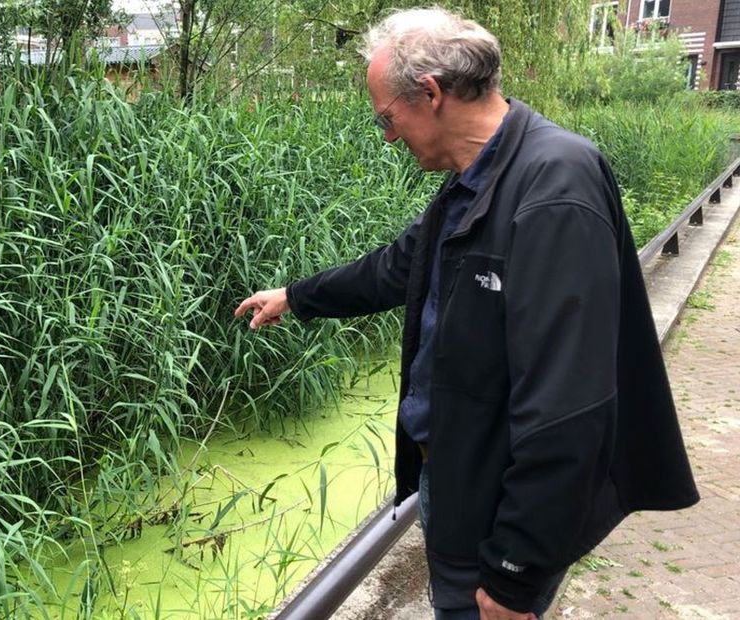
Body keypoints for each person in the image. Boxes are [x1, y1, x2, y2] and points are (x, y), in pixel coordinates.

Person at [234, 7, 698, 620]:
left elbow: (568, 405)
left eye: (387, 118)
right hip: (459, 484)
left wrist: (515, 572)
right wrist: (296, 297)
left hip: (492, 519)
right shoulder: (480, 179)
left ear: (429, 94)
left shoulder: (553, 188)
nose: (388, 137)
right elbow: (398, 268)